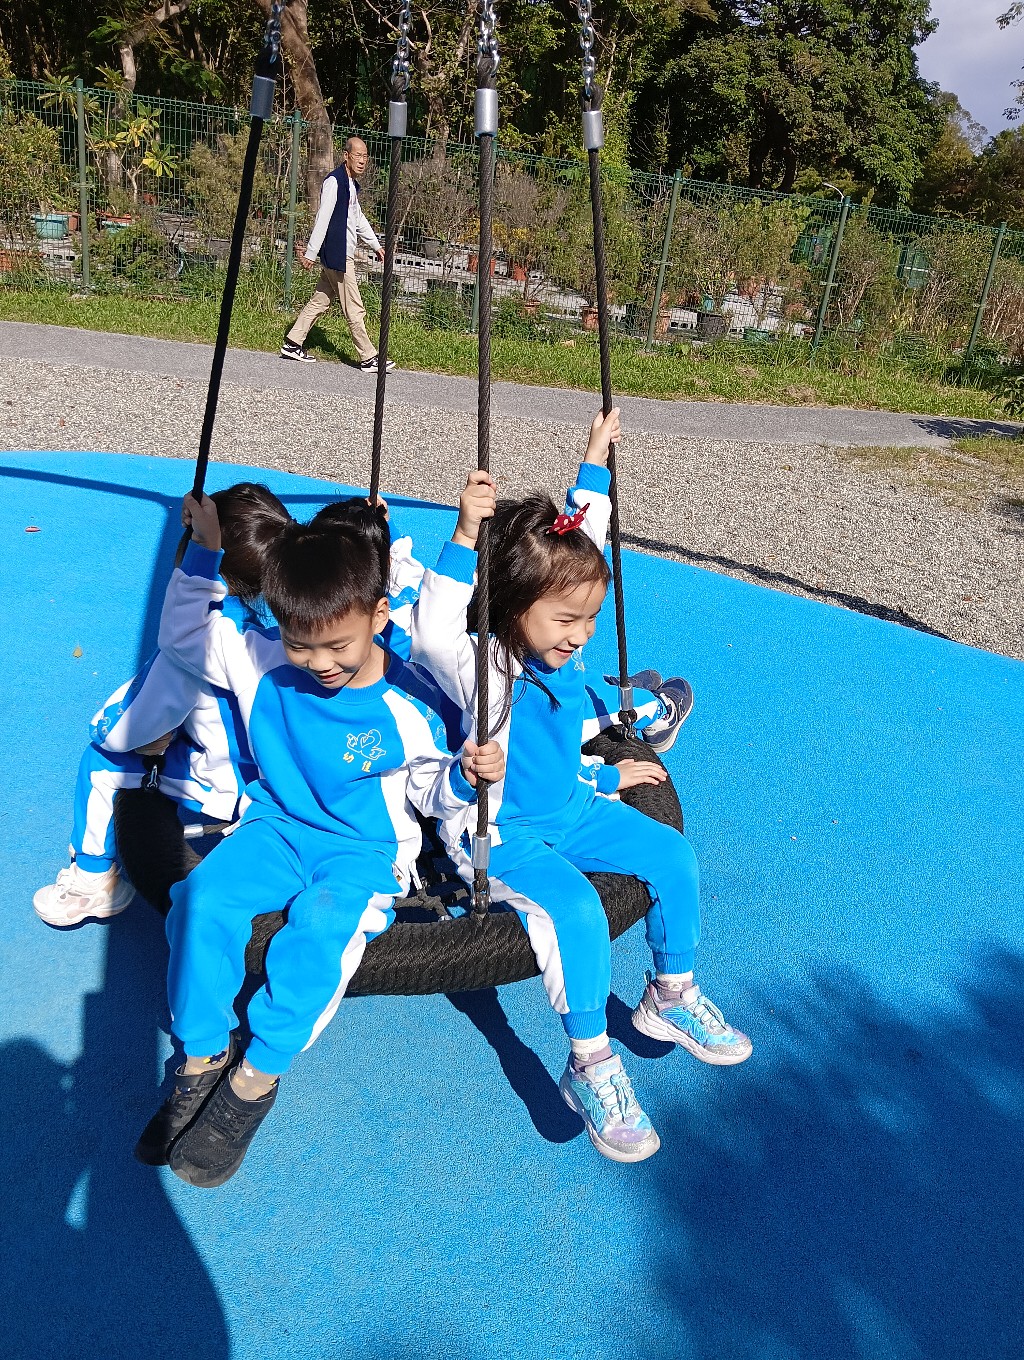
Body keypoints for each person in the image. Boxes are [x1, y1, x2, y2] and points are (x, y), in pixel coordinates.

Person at [410, 422, 751, 1166]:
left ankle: (669, 991)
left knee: (672, 855)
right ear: (513, 610)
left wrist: (593, 466)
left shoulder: (563, 649)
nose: (581, 634)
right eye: (567, 621)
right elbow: (431, 631)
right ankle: (590, 1061)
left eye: (591, 618)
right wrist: (464, 535)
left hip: (571, 808)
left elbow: (582, 544)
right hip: (502, 835)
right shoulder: (487, 666)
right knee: (575, 909)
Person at [135, 503, 503, 1188]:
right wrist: (205, 551)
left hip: (364, 851)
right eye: (301, 645)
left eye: (337, 646)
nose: (319, 664)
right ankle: (201, 1056)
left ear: (379, 616)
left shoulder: (406, 705)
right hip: (276, 828)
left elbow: (432, 793)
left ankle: (255, 1076)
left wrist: (463, 776)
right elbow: (183, 638)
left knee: (321, 930)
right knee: (201, 900)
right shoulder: (262, 660)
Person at [32, 483, 292, 928]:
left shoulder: (200, 643)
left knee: (101, 763)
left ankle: (93, 880)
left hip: (227, 779)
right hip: (278, 771)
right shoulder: (281, 634)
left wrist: (105, 727)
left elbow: (132, 726)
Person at [280, 136, 395, 374]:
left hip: (340, 255)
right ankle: (368, 357)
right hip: (339, 256)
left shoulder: (351, 184)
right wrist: (311, 253)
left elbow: (358, 219)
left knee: (320, 300)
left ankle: (292, 343)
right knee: (354, 307)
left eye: (365, 156)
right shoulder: (335, 181)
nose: (362, 161)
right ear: (346, 156)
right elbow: (322, 218)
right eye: (358, 155)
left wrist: (376, 245)